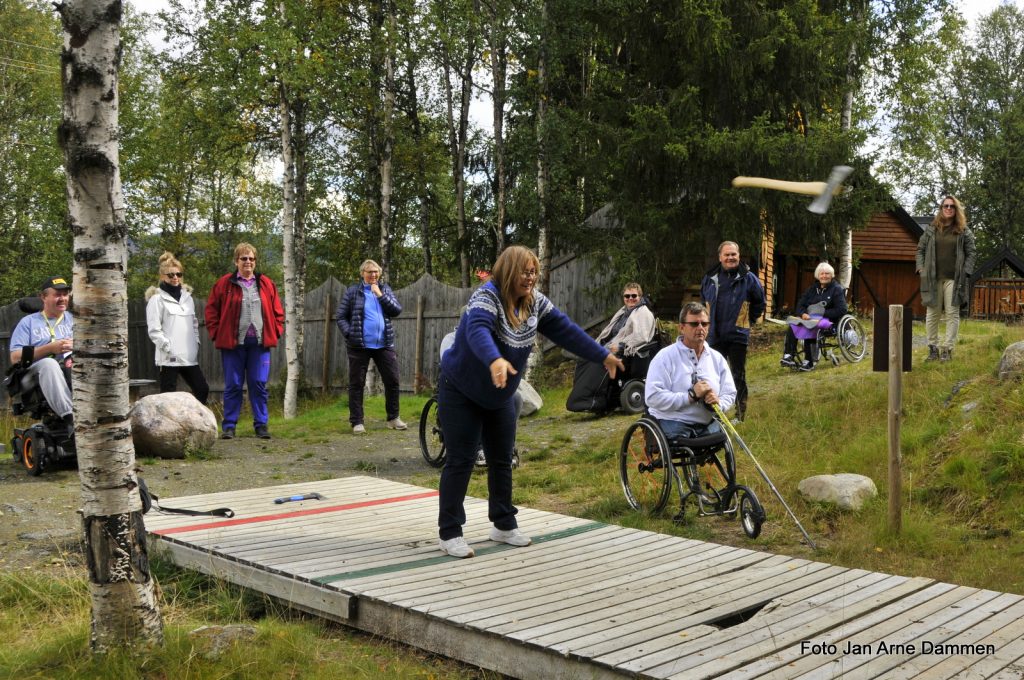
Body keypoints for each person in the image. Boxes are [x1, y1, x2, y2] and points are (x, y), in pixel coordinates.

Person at [436, 245, 624, 558]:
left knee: (502, 458)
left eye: (534, 271)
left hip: (500, 395)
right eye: (525, 271)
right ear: (509, 271)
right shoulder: (487, 296)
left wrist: (601, 354)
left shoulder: (534, 302)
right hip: (461, 390)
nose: (531, 277)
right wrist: (494, 360)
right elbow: (477, 332)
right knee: (462, 459)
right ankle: (450, 531)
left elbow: (565, 330)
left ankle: (504, 524)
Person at [205, 243, 284, 440]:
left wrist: (277, 331)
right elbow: (211, 311)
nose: (248, 262)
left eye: (251, 258)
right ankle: (229, 426)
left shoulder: (266, 283)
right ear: (236, 261)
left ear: (255, 261)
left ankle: (261, 425)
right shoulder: (224, 284)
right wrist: (217, 333)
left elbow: (278, 312)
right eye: (243, 258)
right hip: (233, 345)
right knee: (233, 385)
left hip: (259, 344)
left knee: (258, 384)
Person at [645, 302, 736, 440]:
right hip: (673, 421)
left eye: (704, 324)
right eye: (694, 324)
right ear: (682, 327)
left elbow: (730, 393)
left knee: (723, 435)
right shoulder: (664, 357)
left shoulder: (717, 359)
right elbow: (652, 397)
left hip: (707, 424)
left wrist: (719, 402)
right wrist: (690, 397)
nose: (700, 328)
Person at [336, 259, 405, 434]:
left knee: (393, 380)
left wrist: (380, 295)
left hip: (384, 344)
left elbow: (396, 310)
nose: (373, 275)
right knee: (357, 383)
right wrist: (350, 334)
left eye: (376, 272)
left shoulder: (385, 289)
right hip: (359, 345)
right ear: (362, 274)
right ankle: (357, 422)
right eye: (369, 272)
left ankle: (393, 418)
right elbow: (341, 316)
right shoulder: (353, 292)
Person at [700, 241, 765, 422]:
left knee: (738, 375)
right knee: (713, 377)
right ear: (720, 257)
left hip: (737, 335)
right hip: (714, 335)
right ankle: (716, 415)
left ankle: (740, 414)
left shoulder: (749, 278)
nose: (730, 258)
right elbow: (703, 303)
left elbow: (760, 302)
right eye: (727, 255)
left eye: (733, 254)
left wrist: (747, 319)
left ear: (738, 256)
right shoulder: (709, 278)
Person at [9, 276, 74, 429]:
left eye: (65, 294)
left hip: (68, 369)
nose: (62, 298)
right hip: (32, 375)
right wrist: (50, 348)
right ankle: (70, 417)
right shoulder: (29, 322)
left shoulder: (75, 320)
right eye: (57, 294)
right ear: (43, 297)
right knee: (49, 364)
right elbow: (15, 357)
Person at [916, 195, 976, 362]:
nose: (948, 208)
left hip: (955, 279)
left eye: (952, 206)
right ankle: (933, 349)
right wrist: (921, 268)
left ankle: (947, 350)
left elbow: (972, 253)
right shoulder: (931, 229)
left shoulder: (964, 230)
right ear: (941, 209)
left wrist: (966, 272)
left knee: (952, 313)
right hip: (932, 278)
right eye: (945, 206)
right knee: (932, 313)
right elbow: (920, 249)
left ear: (956, 209)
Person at [145, 252, 209, 404]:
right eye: (171, 274)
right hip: (169, 358)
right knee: (168, 397)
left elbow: (193, 323)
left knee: (202, 389)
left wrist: (196, 342)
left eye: (178, 274)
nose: (175, 278)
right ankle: (167, 428)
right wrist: (167, 347)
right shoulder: (156, 300)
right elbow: (154, 330)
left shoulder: (188, 299)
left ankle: (193, 422)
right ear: (162, 276)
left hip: (188, 356)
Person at [779, 262, 848, 372]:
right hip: (809, 318)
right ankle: (789, 355)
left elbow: (842, 310)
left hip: (828, 320)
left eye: (827, 273)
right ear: (818, 275)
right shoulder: (812, 289)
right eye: (822, 273)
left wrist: (821, 314)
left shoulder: (836, 289)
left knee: (810, 326)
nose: (824, 276)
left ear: (832, 275)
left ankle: (809, 361)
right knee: (793, 324)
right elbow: (800, 305)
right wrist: (803, 314)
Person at [595, 282, 657, 357]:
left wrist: (620, 346)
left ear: (640, 297)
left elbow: (641, 337)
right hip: (609, 343)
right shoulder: (623, 311)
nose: (630, 298)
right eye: (627, 296)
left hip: (621, 352)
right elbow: (610, 331)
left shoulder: (644, 313)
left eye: (634, 296)